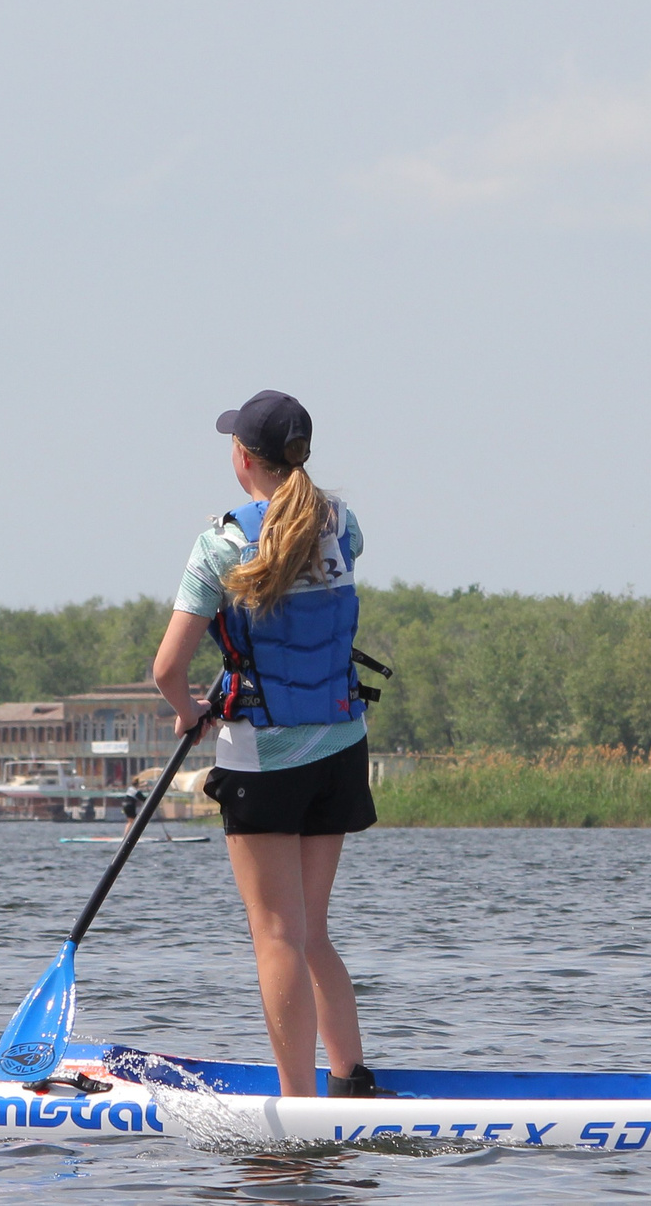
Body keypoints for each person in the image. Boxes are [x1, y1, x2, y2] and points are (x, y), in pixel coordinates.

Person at [151, 390, 378, 1100]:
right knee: (312, 932)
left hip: (265, 760)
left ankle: (299, 1107)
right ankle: (350, 1079)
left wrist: (189, 710)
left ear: (243, 458)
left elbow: (167, 669)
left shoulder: (220, 544)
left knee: (276, 934)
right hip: (341, 749)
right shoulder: (342, 523)